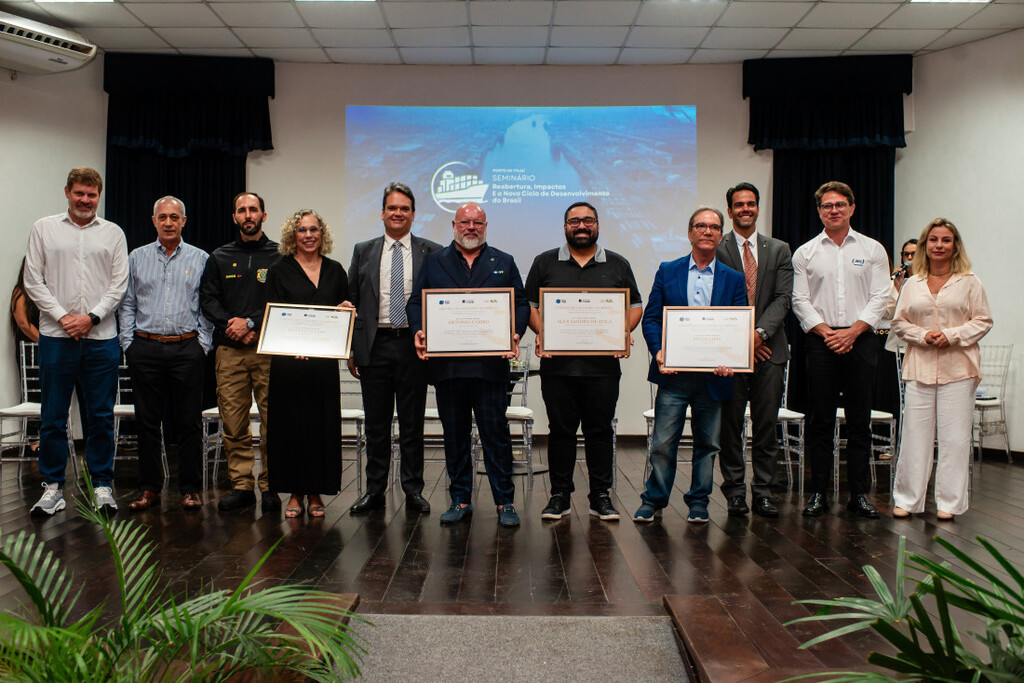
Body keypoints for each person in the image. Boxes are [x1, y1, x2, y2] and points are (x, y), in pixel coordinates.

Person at [407, 202, 530, 527]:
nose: (470, 227)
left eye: (477, 222)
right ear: (454, 225)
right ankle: (460, 499)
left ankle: (505, 502)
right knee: (455, 437)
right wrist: (420, 329)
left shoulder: (503, 261)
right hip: (448, 368)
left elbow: (519, 301)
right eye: (465, 222)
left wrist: (514, 333)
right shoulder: (435, 261)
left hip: (490, 368)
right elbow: (417, 300)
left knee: (496, 436)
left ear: (485, 225)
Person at [525, 201, 642, 522]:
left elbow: (635, 307)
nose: (581, 226)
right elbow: (530, 306)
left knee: (600, 430)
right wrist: (543, 332)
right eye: (574, 221)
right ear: (565, 226)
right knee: (560, 431)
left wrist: (622, 331)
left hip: (602, 368)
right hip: (558, 367)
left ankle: (600, 496)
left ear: (597, 225)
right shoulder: (545, 263)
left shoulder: (617, 264)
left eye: (588, 221)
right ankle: (559, 496)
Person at [23, 167, 128, 515]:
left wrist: (91, 318)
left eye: (92, 195)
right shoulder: (43, 229)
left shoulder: (113, 233)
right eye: (79, 193)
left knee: (99, 416)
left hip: (101, 339)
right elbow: (33, 280)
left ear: (99, 195)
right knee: (52, 416)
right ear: (67, 191)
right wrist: (65, 318)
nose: (85, 200)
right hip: (56, 337)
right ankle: (52, 487)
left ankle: (101, 485)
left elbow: (119, 284)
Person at [633, 207, 746, 524]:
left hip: (714, 377)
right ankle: (653, 500)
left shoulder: (734, 279)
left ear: (721, 235)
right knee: (663, 443)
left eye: (714, 227)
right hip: (674, 375)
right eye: (701, 225)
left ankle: (699, 501)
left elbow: (737, 325)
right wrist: (657, 351)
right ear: (690, 233)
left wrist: (732, 359)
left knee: (708, 445)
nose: (707, 231)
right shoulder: (668, 270)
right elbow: (652, 318)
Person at [792, 181, 890, 519]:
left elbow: (881, 296)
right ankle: (819, 491)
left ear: (851, 208)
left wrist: (853, 332)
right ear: (819, 211)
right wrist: (827, 332)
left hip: (861, 340)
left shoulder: (873, 248)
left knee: (859, 420)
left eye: (840, 204)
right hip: (820, 342)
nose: (833, 210)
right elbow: (799, 300)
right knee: (820, 419)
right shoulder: (805, 252)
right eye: (826, 205)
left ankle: (858, 494)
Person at [347, 182, 441, 515]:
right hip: (375, 346)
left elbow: (440, 303)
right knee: (376, 423)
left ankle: (413, 490)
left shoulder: (433, 251)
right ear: (382, 213)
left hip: (414, 347)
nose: (398, 213)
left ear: (413, 214)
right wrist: (351, 350)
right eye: (392, 208)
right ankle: (374, 491)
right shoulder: (363, 250)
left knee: (412, 423)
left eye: (404, 208)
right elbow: (353, 302)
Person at [891, 219, 991, 521]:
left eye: (945, 240)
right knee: (914, 436)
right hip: (919, 366)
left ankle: (950, 503)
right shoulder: (912, 283)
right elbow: (899, 322)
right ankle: (908, 500)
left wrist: (952, 335)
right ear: (924, 246)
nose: (939, 245)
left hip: (959, 368)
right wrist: (923, 336)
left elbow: (983, 320)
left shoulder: (970, 281)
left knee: (955, 439)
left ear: (955, 245)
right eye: (933, 240)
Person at [118, 196, 213, 512]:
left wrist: (202, 345)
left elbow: (206, 306)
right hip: (144, 348)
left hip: (187, 348)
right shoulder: (136, 257)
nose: (169, 222)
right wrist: (128, 344)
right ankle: (149, 489)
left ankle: (189, 489)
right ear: (154, 220)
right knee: (146, 422)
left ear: (184, 221)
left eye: (175, 217)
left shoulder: (201, 258)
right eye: (163, 217)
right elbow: (128, 303)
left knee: (188, 423)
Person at [200, 192, 282, 513]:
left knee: (271, 420)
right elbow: (208, 299)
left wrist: (252, 323)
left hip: (267, 348)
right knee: (233, 421)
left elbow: (283, 301)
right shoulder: (219, 256)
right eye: (241, 210)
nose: (248, 215)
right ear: (234, 217)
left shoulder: (279, 256)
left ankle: (271, 484)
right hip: (229, 351)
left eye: (253, 209)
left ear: (264, 215)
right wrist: (229, 324)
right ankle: (242, 485)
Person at [265, 209, 351, 518]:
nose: (308, 235)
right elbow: (272, 316)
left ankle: (316, 492)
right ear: (292, 236)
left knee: (320, 427)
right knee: (290, 427)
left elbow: (345, 311)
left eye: (314, 229)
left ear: (322, 234)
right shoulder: (279, 270)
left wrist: (345, 311)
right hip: (289, 366)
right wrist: (292, 347)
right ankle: (294, 493)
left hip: (323, 366)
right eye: (302, 230)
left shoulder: (336, 270)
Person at [715, 183, 793, 518]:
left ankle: (763, 491)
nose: (745, 209)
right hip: (729, 355)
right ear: (729, 210)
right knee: (730, 426)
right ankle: (734, 492)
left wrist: (759, 335)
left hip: (770, 351)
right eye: (738, 204)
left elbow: (783, 298)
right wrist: (743, 342)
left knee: (765, 426)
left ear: (758, 208)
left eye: (750, 204)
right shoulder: (716, 249)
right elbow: (714, 301)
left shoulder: (778, 249)